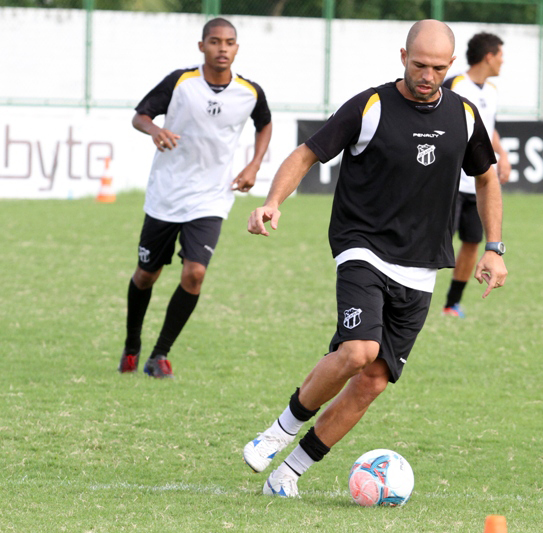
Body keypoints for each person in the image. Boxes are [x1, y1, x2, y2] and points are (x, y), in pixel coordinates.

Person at [243, 19, 507, 497]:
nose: (428, 76)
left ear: (450, 67)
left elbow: (487, 177)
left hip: (422, 265)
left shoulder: (464, 115)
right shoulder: (372, 105)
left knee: (373, 382)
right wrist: (273, 201)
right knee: (358, 351)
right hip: (361, 246)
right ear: (402, 55)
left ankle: (288, 474)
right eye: (419, 64)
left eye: (438, 68)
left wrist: (494, 247)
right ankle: (276, 433)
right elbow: (306, 153)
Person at [118, 17, 273, 378]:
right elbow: (140, 116)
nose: (223, 48)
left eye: (230, 42)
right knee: (146, 275)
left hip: (211, 199)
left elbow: (264, 123)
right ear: (201, 46)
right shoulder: (180, 82)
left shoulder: (249, 91)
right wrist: (155, 129)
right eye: (215, 42)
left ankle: (159, 356)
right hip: (166, 195)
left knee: (195, 274)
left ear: (237, 48)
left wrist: (253, 165)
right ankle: (131, 345)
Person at [442, 32, 511, 318]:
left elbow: (487, 128)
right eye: (501, 55)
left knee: (471, 243)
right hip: (450, 183)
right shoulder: (456, 85)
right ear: (489, 56)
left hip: (479, 186)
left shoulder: (491, 91)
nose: (503, 61)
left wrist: (502, 154)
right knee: (435, 243)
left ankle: (451, 304)